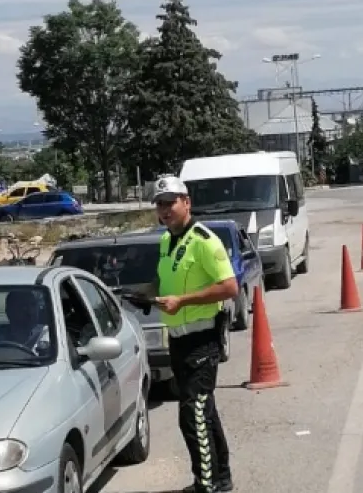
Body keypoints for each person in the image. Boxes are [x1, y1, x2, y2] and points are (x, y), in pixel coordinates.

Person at [151, 175, 238, 493]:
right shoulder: (165, 240)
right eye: (160, 204)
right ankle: (221, 477)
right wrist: (148, 295)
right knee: (205, 410)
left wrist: (183, 301)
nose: (165, 209)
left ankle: (206, 484)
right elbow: (167, 282)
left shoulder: (204, 240)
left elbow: (230, 287)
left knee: (192, 413)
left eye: (170, 202)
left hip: (202, 339)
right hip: (178, 339)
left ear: (186, 202)